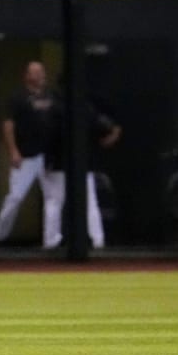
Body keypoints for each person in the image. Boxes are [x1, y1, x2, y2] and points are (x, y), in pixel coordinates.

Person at [0, 60, 62, 250]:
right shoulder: (18, 98)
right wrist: (13, 151)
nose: (39, 76)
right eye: (34, 72)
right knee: (16, 197)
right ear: (27, 76)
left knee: (53, 198)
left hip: (49, 156)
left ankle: (51, 241)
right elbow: (8, 125)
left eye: (41, 72)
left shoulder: (52, 96)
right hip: (26, 156)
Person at [43, 96, 121, 250]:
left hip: (60, 163)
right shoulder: (86, 108)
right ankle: (97, 239)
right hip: (81, 164)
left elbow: (47, 135)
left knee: (54, 202)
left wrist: (47, 161)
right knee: (90, 203)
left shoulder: (55, 108)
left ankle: (50, 241)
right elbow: (108, 129)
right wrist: (112, 134)